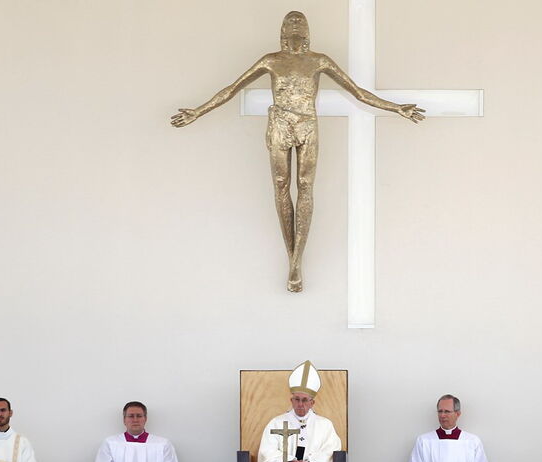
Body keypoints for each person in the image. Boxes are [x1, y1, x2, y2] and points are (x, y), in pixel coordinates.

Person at [171, 11, 424, 292]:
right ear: (281, 30)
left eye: (299, 21)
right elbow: (232, 88)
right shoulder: (271, 60)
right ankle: (292, 259)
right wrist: (198, 111)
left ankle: (296, 262)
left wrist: (396, 107)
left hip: (307, 125)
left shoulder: (319, 61)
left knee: (305, 187)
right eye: (289, 21)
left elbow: (357, 92)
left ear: (307, 30)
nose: (294, 24)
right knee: (281, 186)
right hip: (280, 123)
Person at [253, 360, 341, 462]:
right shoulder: (276, 423)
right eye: (297, 399)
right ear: (291, 400)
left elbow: (330, 450)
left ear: (312, 403)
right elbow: (267, 451)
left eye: (305, 400)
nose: (300, 404)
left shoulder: (325, 425)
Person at [407, 394, 489, 462]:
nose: (442, 415)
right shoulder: (424, 441)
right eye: (440, 411)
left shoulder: (472, 441)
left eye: (447, 411)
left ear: (457, 414)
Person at [92, 401, 179, 462]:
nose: (135, 420)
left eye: (139, 416)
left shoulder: (162, 444)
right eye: (131, 416)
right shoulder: (110, 443)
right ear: (124, 420)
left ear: (145, 419)